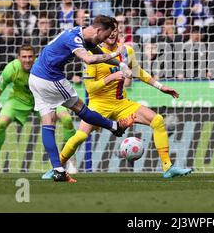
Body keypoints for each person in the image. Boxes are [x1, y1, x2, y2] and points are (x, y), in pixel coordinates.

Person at [50, 28, 192, 179]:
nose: (111, 33)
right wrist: (112, 77)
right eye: (108, 31)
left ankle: (167, 167)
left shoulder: (127, 51)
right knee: (80, 136)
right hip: (99, 105)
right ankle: (56, 168)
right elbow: (90, 87)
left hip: (121, 103)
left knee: (157, 120)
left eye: (115, 30)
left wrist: (160, 87)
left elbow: (138, 71)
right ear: (101, 34)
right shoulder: (92, 54)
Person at [29, 15, 135, 182]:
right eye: (106, 36)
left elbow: (97, 52)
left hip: (35, 77)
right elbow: (89, 59)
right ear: (99, 30)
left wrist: (120, 63)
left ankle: (58, 170)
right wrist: (116, 52)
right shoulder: (74, 38)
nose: (106, 39)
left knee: (48, 121)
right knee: (81, 108)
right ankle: (114, 126)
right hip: (50, 78)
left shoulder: (86, 36)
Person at [0, 45, 78, 175]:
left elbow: (58, 83)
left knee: (66, 118)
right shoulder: (11, 68)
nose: (27, 60)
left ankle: (70, 159)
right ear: (18, 58)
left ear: (35, 57)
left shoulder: (43, 65)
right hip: (19, 100)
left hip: (44, 98)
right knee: (1, 123)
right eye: (24, 57)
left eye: (30, 56)